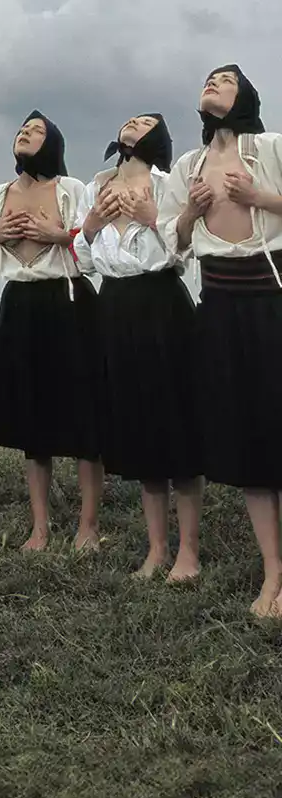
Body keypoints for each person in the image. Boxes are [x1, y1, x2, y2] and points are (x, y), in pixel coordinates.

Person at [159, 65, 282, 615]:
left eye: (224, 79)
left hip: (273, 295)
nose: (211, 82)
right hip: (220, 302)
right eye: (207, 78)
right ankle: (271, 571)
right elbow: (173, 240)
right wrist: (191, 210)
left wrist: (261, 196)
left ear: (245, 96)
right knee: (248, 437)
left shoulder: (272, 148)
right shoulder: (189, 165)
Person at [76, 113, 203, 580]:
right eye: (131, 118)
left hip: (161, 301)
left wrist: (154, 219)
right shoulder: (97, 187)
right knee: (138, 425)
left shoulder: (169, 184)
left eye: (146, 120)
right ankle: (156, 548)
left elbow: (183, 251)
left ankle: (188, 552)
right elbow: (85, 260)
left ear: (157, 139)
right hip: (114, 305)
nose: (134, 122)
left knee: (177, 425)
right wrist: (90, 225)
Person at [0, 111, 104, 552]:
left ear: (53, 142)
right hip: (18, 302)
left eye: (35, 131)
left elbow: (91, 251)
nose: (24, 134)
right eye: (21, 130)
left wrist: (59, 234)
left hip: (67, 300)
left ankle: (88, 526)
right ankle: (40, 526)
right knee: (32, 422)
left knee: (83, 418)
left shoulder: (71, 190)